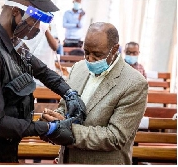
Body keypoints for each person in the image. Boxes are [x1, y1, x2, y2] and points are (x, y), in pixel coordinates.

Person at [0, 0, 86, 163]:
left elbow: (43, 71)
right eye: (35, 20)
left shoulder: (13, 43)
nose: (38, 27)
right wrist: (47, 128)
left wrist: (69, 93)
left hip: (6, 148)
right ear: (16, 12)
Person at [41, 22, 148, 164]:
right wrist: (53, 120)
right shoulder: (78, 68)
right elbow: (64, 106)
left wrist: (65, 130)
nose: (89, 59)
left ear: (115, 49)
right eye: (86, 52)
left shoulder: (134, 83)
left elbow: (115, 137)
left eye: (97, 54)